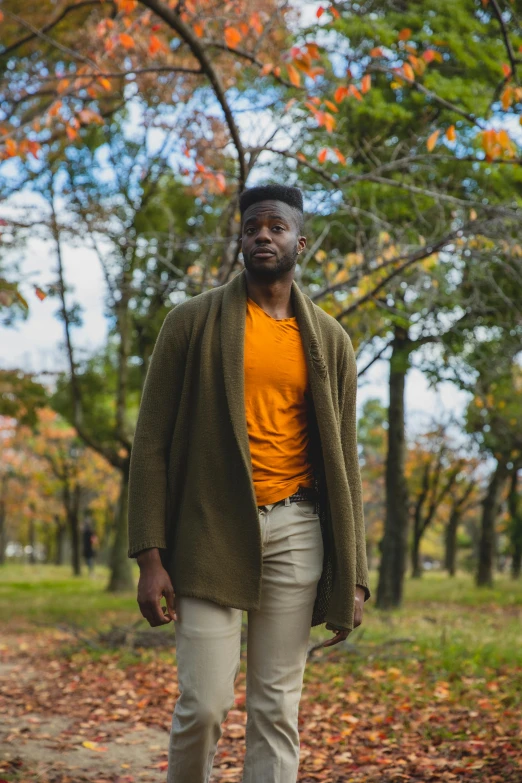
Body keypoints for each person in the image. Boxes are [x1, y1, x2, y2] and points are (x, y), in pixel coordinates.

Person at [127, 183, 370, 783]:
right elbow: (150, 444)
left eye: (277, 227)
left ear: (301, 242)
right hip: (208, 529)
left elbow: (346, 460)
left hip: (297, 528)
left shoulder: (331, 340)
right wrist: (150, 557)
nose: (263, 234)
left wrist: (356, 575)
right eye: (252, 227)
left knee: (276, 707)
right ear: (240, 240)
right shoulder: (190, 323)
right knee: (204, 705)